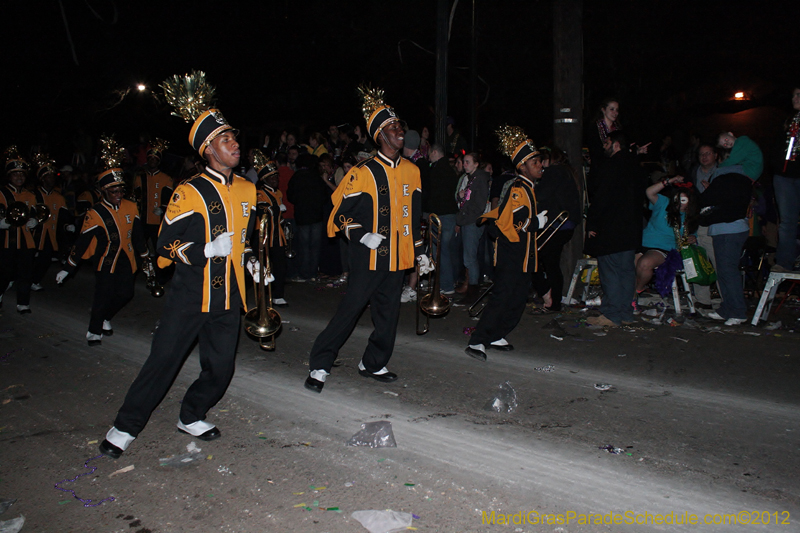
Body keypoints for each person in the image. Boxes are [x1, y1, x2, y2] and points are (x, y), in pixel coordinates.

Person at [97, 71, 258, 459]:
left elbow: (245, 240)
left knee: (222, 369)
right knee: (163, 363)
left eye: (233, 136)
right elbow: (168, 244)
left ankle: (191, 413)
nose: (234, 142)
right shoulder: (189, 190)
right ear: (208, 149)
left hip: (228, 295)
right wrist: (205, 249)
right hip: (190, 294)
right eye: (225, 139)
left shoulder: (249, 190)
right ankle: (125, 426)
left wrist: (252, 261)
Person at [304, 85, 431, 393]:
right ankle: (320, 364)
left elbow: (414, 217)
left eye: (399, 126)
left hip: (398, 257)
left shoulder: (413, 171)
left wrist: (419, 252)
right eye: (392, 127)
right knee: (351, 310)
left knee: (389, 314)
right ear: (380, 136)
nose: (400, 131)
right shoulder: (362, 173)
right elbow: (338, 214)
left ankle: (373, 362)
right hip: (370, 256)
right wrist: (361, 235)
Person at [465, 126, 548, 361]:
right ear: (522, 166)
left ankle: (496, 334)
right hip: (510, 254)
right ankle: (477, 340)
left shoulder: (529, 188)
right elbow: (515, 221)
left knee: (517, 300)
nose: (540, 166)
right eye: (535, 163)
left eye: (540, 162)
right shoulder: (518, 188)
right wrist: (536, 223)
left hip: (524, 255)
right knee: (502, 298)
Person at [56, 136, 149, 345]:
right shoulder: (95, 212)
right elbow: (82, 242)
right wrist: (68, 268)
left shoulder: (131, 207)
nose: (118, 194)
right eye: (113, 191)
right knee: (103, 294)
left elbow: (138, 235)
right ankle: (94, 329)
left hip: (126, 258)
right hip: (105, 259)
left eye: (121, 190)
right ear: (103, 191)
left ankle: (106, 316)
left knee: (126, 293)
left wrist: (145, 258)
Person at [584, 130, 645, 327]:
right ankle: (626, 312)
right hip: (630, 229)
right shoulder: (635, 165)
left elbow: (602, 197)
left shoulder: (611, 166)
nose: (604, 146)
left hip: (611, 228)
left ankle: (612, 314)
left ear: (616, 144)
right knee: (626, 272)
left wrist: (592, 222)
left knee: (610, 272)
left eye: (607, 142)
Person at [530, 148, 582, 312]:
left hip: (556, 224)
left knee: (536, 259)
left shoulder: (554, 172)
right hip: (563, 224)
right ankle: (553, 299)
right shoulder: (566, 172)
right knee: (550, 261)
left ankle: (550, 296)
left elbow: (541, 195)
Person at [634, 177, 699, 302]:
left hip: (664, 248)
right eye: (677, 199)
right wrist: (669, 181)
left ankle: (636, 291)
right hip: (642, 242)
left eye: (683, 200)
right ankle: (628, 296)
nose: (679, 203)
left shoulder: (690, 218)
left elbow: (693, 235)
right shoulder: (664, 203)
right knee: (627, 267)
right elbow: (649, 192)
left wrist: (692, 238)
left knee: (645, 264)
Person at [0, 147, 39, 313]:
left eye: (22, 174)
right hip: (6, 239)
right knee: (4, 271)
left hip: (26, 240)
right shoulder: (1, 193)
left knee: (25, 272)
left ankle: (23, 302)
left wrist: (35, 221)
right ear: (9, 175)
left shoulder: (30, 195)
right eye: (15, 174)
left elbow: (36, 213)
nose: (19, 177)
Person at [420, 144, 459, 296]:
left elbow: (433, 194)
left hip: (441, 216)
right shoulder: (448, 169)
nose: (429, 157)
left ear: (435, 152)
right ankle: (445, 283)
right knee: (444, 251)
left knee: (441, 252)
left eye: (430, 154)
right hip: (447, 215)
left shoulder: (437, 170)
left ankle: (447, 285)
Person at [31, 153, 74, 291]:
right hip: (34, 233)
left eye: (53, 175)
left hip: (50, 234)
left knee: (45, 259)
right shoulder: (34, 195)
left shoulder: (58, 196)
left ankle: (34, 280)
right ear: (43, 179)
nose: (52, 178)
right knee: (28, 259)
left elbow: (64, 215)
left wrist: (68, 225)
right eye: (48, 176)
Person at [253, 151, 288, 307]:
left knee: (280, 266)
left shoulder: (278, 193)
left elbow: (278, 214)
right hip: (264, 235)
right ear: (264, 179)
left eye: (276, 176)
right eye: (271, 177)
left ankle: (278, 295)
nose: (275, 180)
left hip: (278, 235)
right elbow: (264, 210)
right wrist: (277, 209)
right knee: (262, 266)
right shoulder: (259, 193)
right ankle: (262, 294)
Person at [455, 152, 490, 303]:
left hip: (472, 222)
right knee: (469, 258)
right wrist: (460, 197)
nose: (464, 165)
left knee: (470, 259)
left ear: (476, 164)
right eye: (464, 162)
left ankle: (473, 293)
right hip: (468, 221)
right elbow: (467, 199)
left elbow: (479, 204)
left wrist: (468, 216)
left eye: (468, 162)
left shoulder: (480, 179)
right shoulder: (471, 178)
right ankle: (472, 291)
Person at [287, 152, 328, 281]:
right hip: (316, 216)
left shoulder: (296, 177)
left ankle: (304, 273)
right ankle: (313, 273)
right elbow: (324, 196)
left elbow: (290, 196)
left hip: (302, 216)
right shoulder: (316, 177)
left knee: (304, 246)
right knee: (315, 246)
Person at [772, 86, 800, 272]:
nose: (795, 98)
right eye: (794, 95)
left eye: (799, 95)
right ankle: (784, 261)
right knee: (787, 222)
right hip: (784, 176)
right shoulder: (788, 121)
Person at [689, 143, 719, 307]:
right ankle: (702, 300)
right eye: (701, 154)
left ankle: (727, 300)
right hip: (698, 222)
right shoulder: (693, 173)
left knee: (719, 261)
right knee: (699, 261)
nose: (704, 157)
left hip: (716, 224)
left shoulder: (721, 173)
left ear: (715, 155)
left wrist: (712, 192)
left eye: (708, 153)